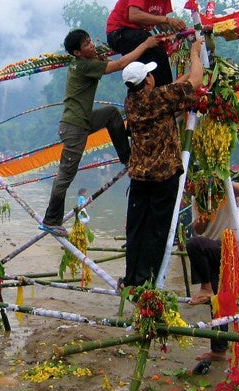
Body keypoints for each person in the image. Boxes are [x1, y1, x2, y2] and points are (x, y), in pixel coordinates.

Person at [39, 28, 160, 237]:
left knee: (112, 114)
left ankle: (127, 158)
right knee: (66, 175)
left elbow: (106, 58)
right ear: (77, 53)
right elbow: (120, 65)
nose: (91, 45)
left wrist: (101, 51)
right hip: (74, 126)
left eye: (90, 41)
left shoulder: (84, 61)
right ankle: (51, 220)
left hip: (83, 120)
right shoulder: (85, 65)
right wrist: (145, 45)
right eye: (86, 44)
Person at [121, 39, 204, 287]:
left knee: (136, 229)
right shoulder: (159, 98)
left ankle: (132, 278)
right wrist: (195, 54)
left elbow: (174, 89)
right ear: (147, 80)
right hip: (162, 176)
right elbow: (196, 83)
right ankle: (146, 281)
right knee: (156, 230)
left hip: (138, 176)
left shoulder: (131, 101)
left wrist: (185, 75)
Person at [106, 0, 194, 87]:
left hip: (138, 34)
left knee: (157, 58)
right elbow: (134, 16)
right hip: (120, 32)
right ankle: (164, 93)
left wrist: (177, 29)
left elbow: (160, 22)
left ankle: (159, 92)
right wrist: (168, 20)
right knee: (158, 56)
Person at [186, 182, 239, 366]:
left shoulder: (226, 190)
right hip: (210, 250)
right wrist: (203, 217)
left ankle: (205, 287)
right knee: (217, 302)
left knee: (193, 244)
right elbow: (198, 230)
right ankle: (218, 350)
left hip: (227, 246)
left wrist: (218, 181)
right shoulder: (197, 198)